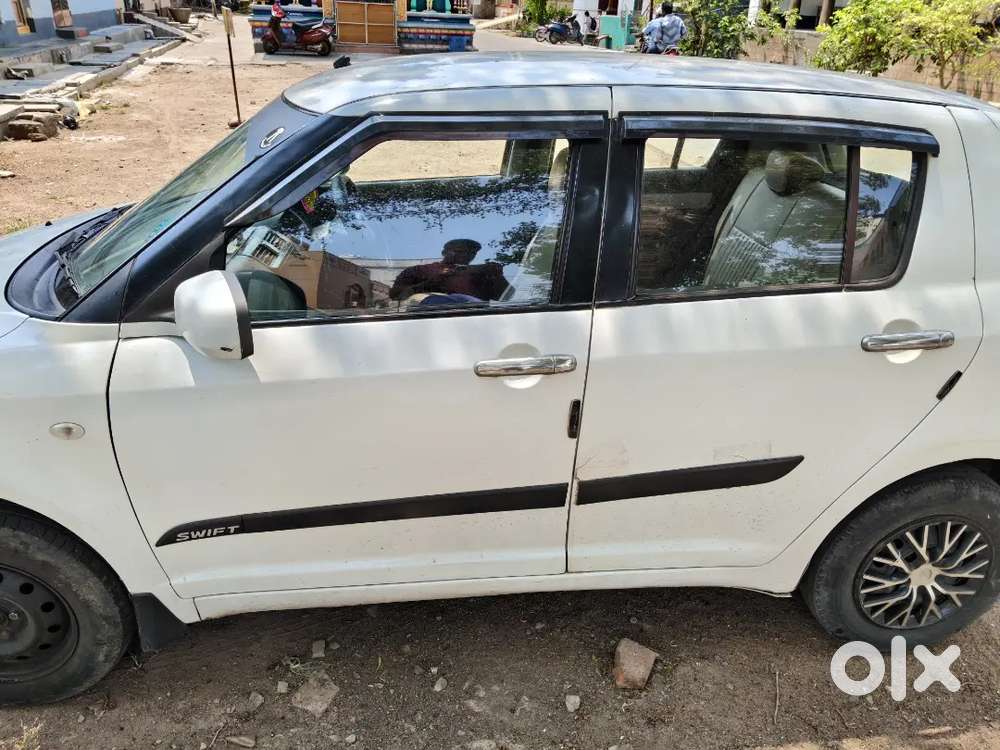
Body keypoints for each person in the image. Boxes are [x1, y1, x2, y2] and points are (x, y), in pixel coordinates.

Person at [389, 239, 510, 304]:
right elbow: (396, 295)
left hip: (477, 323)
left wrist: (498, 275)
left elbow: (506, 298)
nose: (466, 255)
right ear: (444, 253)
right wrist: (429, 284)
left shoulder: (481, 275)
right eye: (459, 251)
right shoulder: (419, 271)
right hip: (427, 323)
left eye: (471, 252)